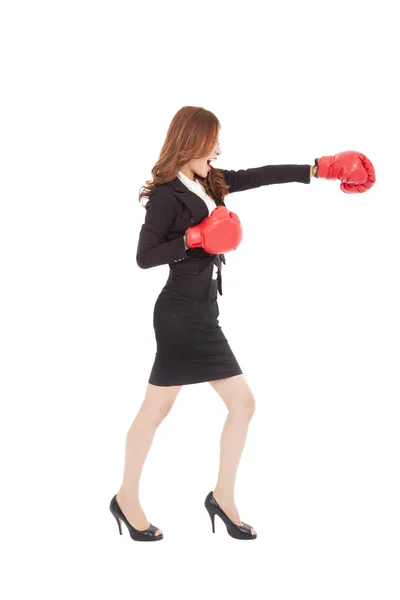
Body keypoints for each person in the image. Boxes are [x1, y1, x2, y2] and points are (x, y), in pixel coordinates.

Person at [109, 106, 376, 542]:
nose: (217, 149)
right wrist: (193, 238)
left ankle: (222, 497)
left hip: (204, 311)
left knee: (240, 404)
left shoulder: (209, 179)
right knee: (157, 411)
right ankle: (127, 498)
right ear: (191, 142)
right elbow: (144, 257)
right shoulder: (165, 195)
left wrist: (317, 168)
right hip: (177, 314)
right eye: (211, 141)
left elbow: (261, 174)